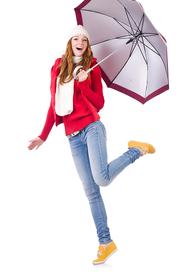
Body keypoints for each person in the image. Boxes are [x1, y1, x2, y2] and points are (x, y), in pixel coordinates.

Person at [28, 25, 155, 265]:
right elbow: (53, 103)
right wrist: (43, 135)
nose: (79, 42)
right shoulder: (57, 67)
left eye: (84, 39)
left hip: (92, 128)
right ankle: (106, 243)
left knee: (103, 179)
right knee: (91, 192)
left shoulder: (92, 67)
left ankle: (136, 150)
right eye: (75, 38)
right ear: (69, 42)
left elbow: (100, 103)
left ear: (87, 45)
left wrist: (85, 83)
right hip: (72, 137)